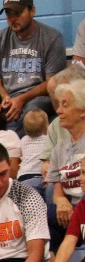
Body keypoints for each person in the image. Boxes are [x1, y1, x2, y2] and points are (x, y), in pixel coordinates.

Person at [0, 0, 65, 135]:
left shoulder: (52, 38)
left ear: (32, 11)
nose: (13, 18)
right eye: (9, 14)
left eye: (18, 13)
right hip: (9, 99)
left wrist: (22, 99)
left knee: (32, 110)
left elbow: (52, 83)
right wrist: (5, 97)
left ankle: (17, 148)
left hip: (37, 98)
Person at [42, 78, 85, 251]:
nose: (58, 110)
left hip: (83, 210)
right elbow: (57, 190)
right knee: (43, 217)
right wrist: (60, 201)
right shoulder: (59, 148)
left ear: (82, 111)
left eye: (65, 105)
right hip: (70, 212)